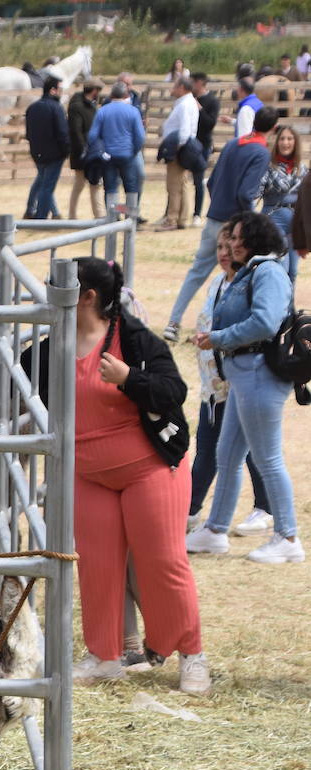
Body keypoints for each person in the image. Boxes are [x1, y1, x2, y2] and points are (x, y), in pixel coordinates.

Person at [0, 257, 209, 694]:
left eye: (56, 288)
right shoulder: (56, 344)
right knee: (96, 565)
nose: (45, 295)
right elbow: (5, 377)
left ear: (87, 297)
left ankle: (192, 654)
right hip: (91, 474)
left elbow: (174, 392)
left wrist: (129, 378)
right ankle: (104, 656)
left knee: (163, 562)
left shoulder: (133, 341)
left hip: (149, 468)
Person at [187, 212, 302, 564]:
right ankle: (215, 530)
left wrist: (218, 338)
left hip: (258, 373)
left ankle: (287, 536)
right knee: (228, 454)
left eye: (237, 238)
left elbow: (265, 322)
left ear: (253, 239)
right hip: (242, 374)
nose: (231, 244)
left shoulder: (267, 272)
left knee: (267, 457)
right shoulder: (252, 271)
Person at [187, 226, 272, 537]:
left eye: (230, 245)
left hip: (236, 383)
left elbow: (253, 328)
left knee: (237, 450)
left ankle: (265, 510)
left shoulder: (248, 285)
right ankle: (195, 512)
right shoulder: (218, 284)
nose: (224, 252)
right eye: (220, 246)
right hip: (214, 387)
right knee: (225, 450)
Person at [165, 106, 277, 340]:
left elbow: (211, 182)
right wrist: (249, 221)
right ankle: (222, 327)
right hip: (236, 222)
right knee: (239, 276)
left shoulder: (234, 144)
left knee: (198, 271)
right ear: (274, 128)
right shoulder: (261, 152)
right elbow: (247, 193)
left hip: (215, 217)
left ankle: (173, 322)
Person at [87, 82, 146, 218]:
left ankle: (112, 218)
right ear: (126, 95)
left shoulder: (102, 111)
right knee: (131, 188)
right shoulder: (133, 111)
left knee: (111, 188)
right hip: (127, 154)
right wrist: (133, 151)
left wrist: (101, 150)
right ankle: (130, 219)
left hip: (108, 156)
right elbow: (140, 136)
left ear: (112, 95)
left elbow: (92, 136)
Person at [261, 124, 305, 284]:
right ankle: (279, 308)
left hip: (295, 225)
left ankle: (289, 308)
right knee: (282, 266)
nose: (286, 142)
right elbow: (254, 192)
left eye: (290, 139)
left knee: (293, 271)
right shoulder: (268, 167)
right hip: (273, 220)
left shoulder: (302, 168)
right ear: (277, 142)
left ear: (295, 142)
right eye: (282, 139)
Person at [157, 77, 199, 232]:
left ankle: (172, 219)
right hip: (182, 147)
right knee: (183, 184)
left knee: (174, 186)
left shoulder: (184, 105)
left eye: (175, 86)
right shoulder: (187, 103)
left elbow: (184, 130)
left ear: (181, 87)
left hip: (178, 149)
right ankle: (182, 218)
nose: (172, 88)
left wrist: (176, 149)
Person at [24, 76, 68, 220]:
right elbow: (62, 132)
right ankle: (41, 217)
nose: (62, 92)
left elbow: (29, 133)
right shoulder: (56, 108)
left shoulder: (32, 108)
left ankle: (33, 209)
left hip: (37, 153)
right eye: (60, 89)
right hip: (54, 154)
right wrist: (66, 151)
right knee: (47, 187)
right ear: (53, 90)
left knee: (41, 182)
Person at [67, 78, 104, 219]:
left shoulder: (90, 106)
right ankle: (73, 215)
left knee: (93, 183)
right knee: (81, 184)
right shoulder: (77, 107)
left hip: (91, 152)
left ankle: (99, 215)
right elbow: (76, 131)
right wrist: (84, 150)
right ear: (94, 91)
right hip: (83, 153)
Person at [191, 72, 220, 226]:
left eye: (193, 82)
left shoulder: (212, 101)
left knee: (198, 180)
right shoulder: (189, 98)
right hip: (188, 143)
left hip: (203, 145)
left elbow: (210, 124)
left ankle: (197, 213)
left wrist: (200, 109)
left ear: (200, 83)